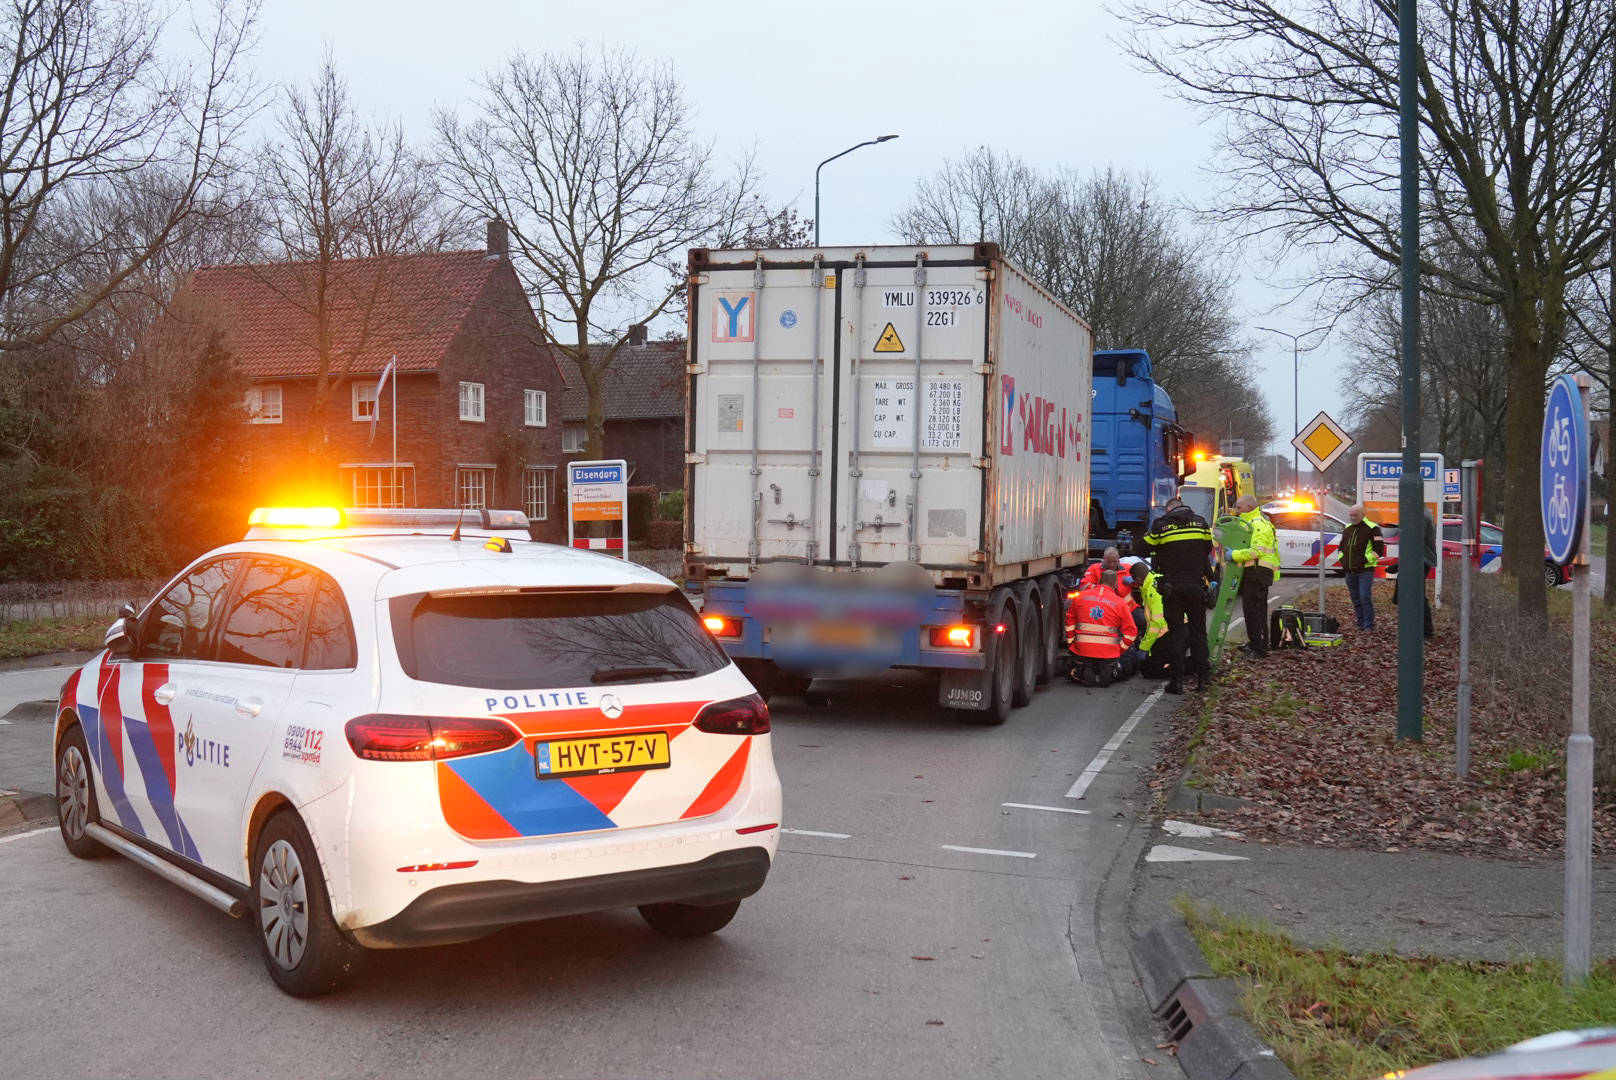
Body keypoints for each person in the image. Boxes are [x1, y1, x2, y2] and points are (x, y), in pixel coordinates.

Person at [1142, 495, 1216, 694]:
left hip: (1172, 588)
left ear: (1169, 510)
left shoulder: (1161, 525)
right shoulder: (1201, 523)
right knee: (1198, 633)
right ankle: (1203, 679)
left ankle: (1177, 681)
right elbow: (1207, 550)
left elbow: (1143, 546)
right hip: (1195, 586)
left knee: (1176, 634)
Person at [1064, 570, 1138, 687]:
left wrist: (1071, 643)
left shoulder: (1081, 597)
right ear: (1115, 584)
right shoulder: (1120, 603)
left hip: (1082, 649)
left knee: (1073, 664)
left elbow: (1069, 621)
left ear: (1099, 581)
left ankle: (1084, 667)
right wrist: (1119, 651)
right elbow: (1131, 632)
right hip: (1108, 652)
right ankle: (1109, 669)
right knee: (1130, 658)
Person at [1229, 495, 1281, 657]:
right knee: (1252, 611)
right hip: (1254, 573)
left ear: (1249, 507)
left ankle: (1259, 648)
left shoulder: (1257, 525)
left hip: (1258, 573)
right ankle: (1255, 643)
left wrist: (1234, 555)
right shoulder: (1251, 523)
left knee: (1255, 612)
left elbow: (1256, 551)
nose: (1236, 510)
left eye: (1239, 507)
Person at [1339, 504, 1385, 630]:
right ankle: (1360, 623)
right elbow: (1341, 548)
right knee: (1355, 599)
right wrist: (1342, 560)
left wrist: (1364, 561)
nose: (1353, 518)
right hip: (1349, 571)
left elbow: (1379, 550)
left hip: (1365, 571)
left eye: (1356, 515)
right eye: (1351, 515)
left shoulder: (1373, 528)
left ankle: (1369, 625)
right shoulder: (1347, 528)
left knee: (1364, 596)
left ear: (1362, 515)